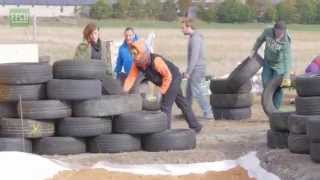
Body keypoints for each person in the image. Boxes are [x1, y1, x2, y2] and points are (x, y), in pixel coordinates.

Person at [123, 40, 202, 133]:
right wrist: (124, 91)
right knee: (182, 103)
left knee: (165, 106)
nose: (133, 56)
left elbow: (168, 77)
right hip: (165, 80)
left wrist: (162, 91)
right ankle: (196, 126)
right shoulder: (137, 65)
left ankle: (165, 133)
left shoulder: (156, 61)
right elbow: (131, 78)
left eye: (135, 54)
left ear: (142, 53)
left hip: (173, 78)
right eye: (132, 54)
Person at [251, 20, 293, 109]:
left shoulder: (286, 40)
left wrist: (286, 76)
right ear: (274, 30)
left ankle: (275, 110)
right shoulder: (267, 31)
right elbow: (259, 40)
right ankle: (269, 106)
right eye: (278, 32)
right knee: (266, 85)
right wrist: (254, 50)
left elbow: (287, 59)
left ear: (284, 31)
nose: (280, 35)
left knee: (277, 88)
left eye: (282, 33)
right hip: (268, 63)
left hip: (279, 66)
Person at [181, 17, 214, 120]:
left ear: (189, 27)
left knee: (196, 91)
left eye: (183, 28)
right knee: (189, 92)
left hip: (197, 69)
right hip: (196, 68)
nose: (181, 30)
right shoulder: (193, 37)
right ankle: (187, 112)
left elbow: (194, 57)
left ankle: (208, 113)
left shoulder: (195, 38)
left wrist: (188, 72)